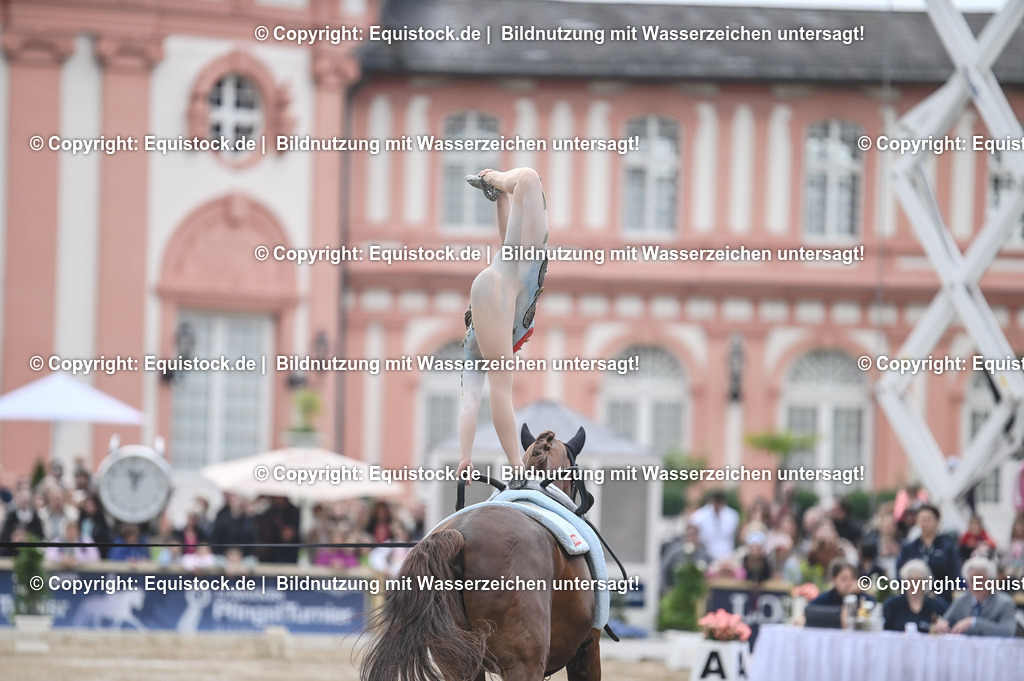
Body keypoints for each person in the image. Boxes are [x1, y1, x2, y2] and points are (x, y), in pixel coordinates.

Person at [457, 168, 549, 483]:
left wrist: (466, 457)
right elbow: (471, 402)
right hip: (507, 277)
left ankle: (495, 184)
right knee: (529, 179)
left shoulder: (474, 346)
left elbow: (470, 402)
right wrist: (465, 457)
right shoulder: (478, 341)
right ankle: (515, 465)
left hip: (508, 274)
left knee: (529, 180)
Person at [933, 556, 1016, 637]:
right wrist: (941, 625)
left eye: (980, 580)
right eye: (972, 580)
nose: (976, 585)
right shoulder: (961, 600)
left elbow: (1008, 631)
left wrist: (973, 622)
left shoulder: (1005, 603)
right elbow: (945, 621)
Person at [896, 504, 960, 598]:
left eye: (929, 519)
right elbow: (900, 574)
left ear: (937, 521)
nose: (925, 523)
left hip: (941, 597)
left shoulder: (947, 547)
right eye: (922, 519)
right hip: (914, 597)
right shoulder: (909, 548)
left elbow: (955, 573)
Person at [882, 559, 948, 632]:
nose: (913, 585)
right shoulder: (892, 605)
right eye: (910, 581)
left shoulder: (938, 606)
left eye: (918, 581)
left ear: (926, 582)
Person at [688, 490, 740, 561]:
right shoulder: (699, 516)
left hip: (728, 555)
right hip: (706, 555)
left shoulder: (732, 516)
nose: (717, 505)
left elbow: (736, 536)